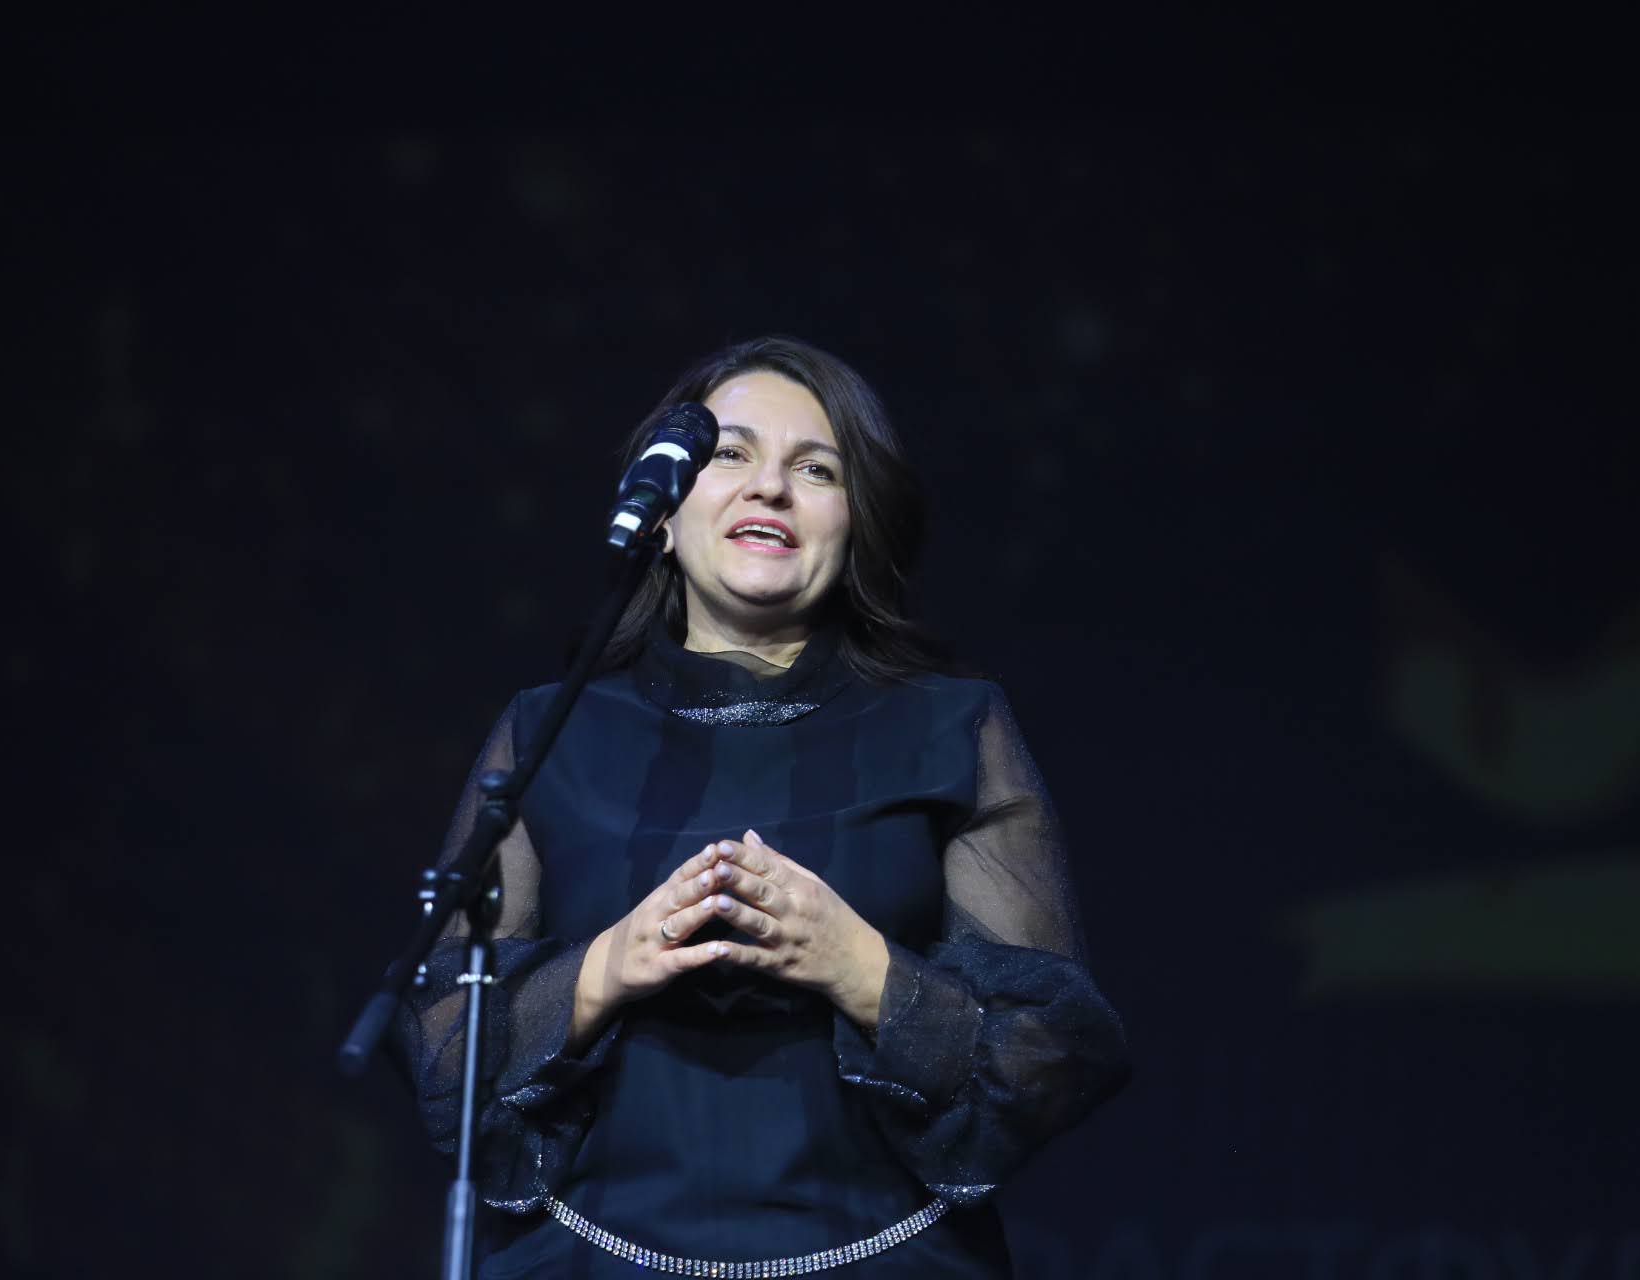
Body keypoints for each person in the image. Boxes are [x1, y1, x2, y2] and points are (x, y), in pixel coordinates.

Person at [399, 336, 1130, 1277]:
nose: (770, 488)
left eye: (816, 469)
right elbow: (441, 1046)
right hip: (583, 1257)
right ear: (665, 515)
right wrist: (607, 967)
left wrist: (853, 962)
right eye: (730, 453)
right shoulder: (552, 728)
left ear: (857, 524)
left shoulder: (951, 725)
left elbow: (1049, 1053)